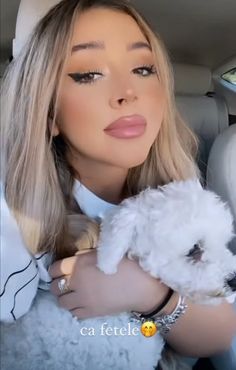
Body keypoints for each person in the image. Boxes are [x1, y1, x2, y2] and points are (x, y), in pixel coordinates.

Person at [1, 0, 235, 363]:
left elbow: (221, 332)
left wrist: (152, 295)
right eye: (88, 74)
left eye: (143, 69)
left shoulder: (178, 189)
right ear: (48, 112)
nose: (129, 92)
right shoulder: (15, 209)